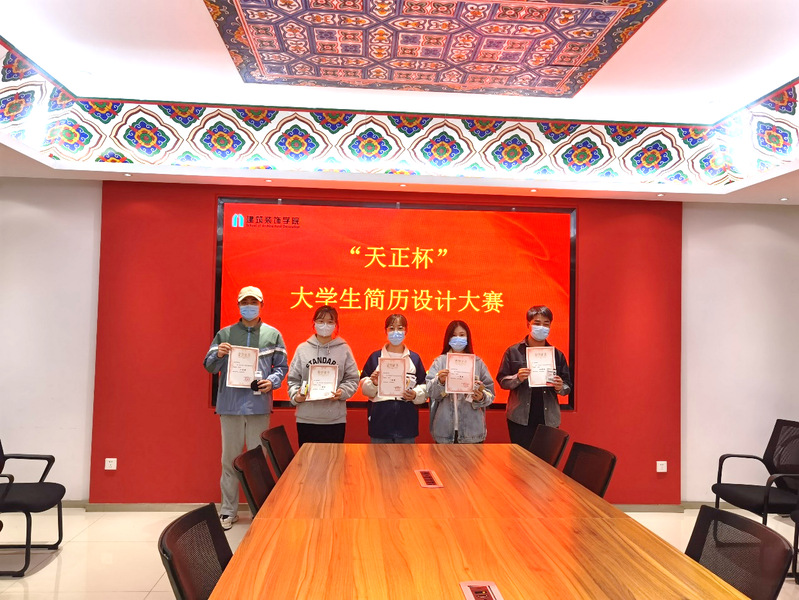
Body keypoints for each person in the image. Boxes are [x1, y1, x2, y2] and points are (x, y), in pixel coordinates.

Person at [203, 285, 287, 529]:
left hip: (258, 406)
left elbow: (282, 367)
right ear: (239, 305)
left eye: (254, 302)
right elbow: (209, 366)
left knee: (257, 460)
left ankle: (258, 510)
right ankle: (228, 511)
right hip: (230, 406)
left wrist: (271, 382)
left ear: (262, 305)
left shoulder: (273, 334)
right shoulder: (225, 334)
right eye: (245, 302)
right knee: (229, 459)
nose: (249, 306)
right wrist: (218, 354)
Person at [497, 305, 572, 449]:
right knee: (520, 460)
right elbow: (502, 381)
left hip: (548, 418)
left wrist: (560, 387)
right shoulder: (513, 351)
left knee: (546, 460)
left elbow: (567, 386)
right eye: (537, 323)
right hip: (519, 418)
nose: (541, 327)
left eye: (546, 324)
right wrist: (517, 378)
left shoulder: (557, 354)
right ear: (528, 324)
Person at [287, 305, 360, 445]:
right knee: (308, 458)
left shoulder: (344, 349)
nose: (325, 325)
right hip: (307, 418)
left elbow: (352, 378)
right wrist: (296, 396)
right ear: (314, 323)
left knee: (333, 458)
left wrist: (342, 392)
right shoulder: (302, 349)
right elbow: (293, 380)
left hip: (334, 419)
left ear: (336, 325)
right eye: (321, 321)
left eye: (330, 322)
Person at [360, 314, 427, 443]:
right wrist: (374, 384)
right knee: (378, 456)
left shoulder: (414, 358)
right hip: (380, 421)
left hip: (407, 422)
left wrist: (415, 395)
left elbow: (424, 386)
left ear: (406, 331)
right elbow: (364, 389)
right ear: (386, 331)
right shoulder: (375, 357)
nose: (396, 332)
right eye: (391, 328)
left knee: (407, 456)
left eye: (400, 328)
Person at [425, 320, 495, 444]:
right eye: (454, 335)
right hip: (444, 431)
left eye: (462, 335)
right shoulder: (440, 362)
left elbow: (490, 394)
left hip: (472, 432)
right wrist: (440, 381)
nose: (458, 338)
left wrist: (481, 397)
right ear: (448, 339)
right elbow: (429, 391)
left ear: (467, 338)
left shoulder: (477, 363)